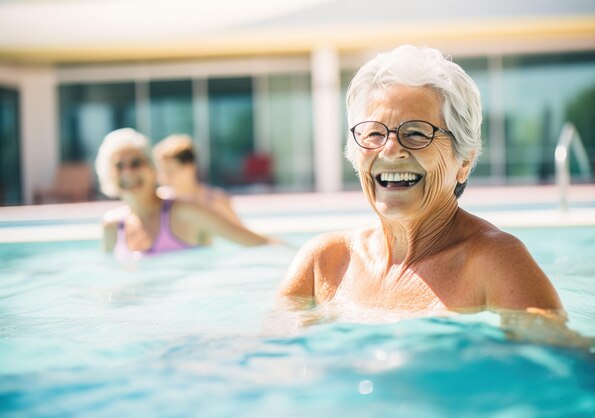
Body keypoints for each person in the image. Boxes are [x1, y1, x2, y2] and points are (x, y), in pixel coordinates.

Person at [278, 46, 564, 316]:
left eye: (416, 133)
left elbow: (558, 359)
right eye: (375, 133)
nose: (390, 149)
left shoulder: (494, 263)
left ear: (463, 161)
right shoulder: (324, 264)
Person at [95, 128, 271, 260]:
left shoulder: (186, 212)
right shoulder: (112, 226)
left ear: (153, 169)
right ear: (107, 175)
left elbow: (257, 243)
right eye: (119, 166)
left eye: (136, 163)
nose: (127, 172)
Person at [153, 134, 241, 224]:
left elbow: (241, 235)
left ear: (189, 168)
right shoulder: (159, 200)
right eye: (161, 172)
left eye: (170, 171)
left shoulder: (216, 201)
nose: (164, 178)